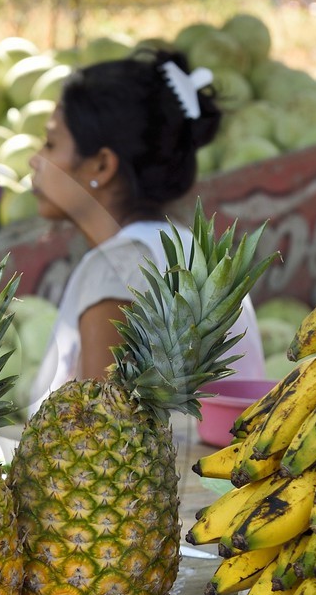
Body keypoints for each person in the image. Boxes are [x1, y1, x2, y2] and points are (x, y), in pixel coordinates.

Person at [28, 47, 266, 414]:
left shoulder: (118, 269)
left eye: (50, 143)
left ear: (102, 165)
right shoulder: (198, 255)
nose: (35, 159)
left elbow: (98, 437)